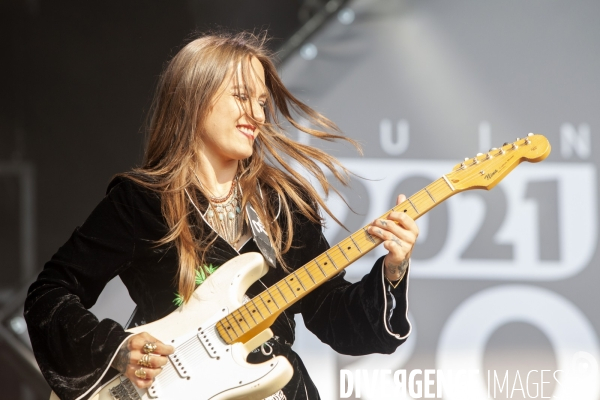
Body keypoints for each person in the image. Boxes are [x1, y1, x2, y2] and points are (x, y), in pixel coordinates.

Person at [24, 31, 418, 400]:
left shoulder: (285, 203)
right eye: (242, 97)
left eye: (262, 102)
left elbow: (333, 314)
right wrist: (117, 347)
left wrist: (392, 271)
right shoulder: (143, 200)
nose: (259, 116)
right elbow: (50, 294)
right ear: (195, 98)